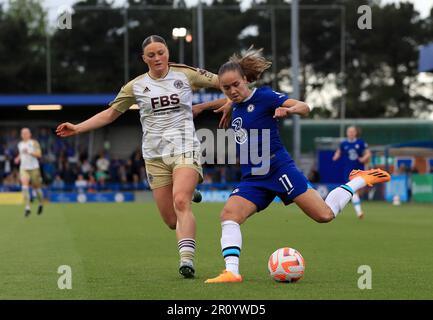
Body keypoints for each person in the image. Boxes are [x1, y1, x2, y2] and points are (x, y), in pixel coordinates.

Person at [195, 48, 390, 283]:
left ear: (245, 79)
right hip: (253, 178)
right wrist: (209, 106)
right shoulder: (234, 103)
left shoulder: (265, 96)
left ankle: (360, 179)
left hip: (279, 170)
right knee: (229, 214)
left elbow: (305, 106)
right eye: (226, 88)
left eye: (235, 85)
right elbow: (229, 100)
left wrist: (289, 110)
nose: (232, 91)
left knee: (324, 215)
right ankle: (232, 272)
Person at [56, 35, 227, 278]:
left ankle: (186, 260)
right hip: (154, 156)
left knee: (180, 202)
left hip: (184, 148)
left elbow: (228, 83)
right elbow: (110, 114)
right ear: (143, 58)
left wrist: (224, 103)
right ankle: (190, 190)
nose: (157, 58)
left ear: (168, 52)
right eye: (151, 55)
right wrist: (77, 127)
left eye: (161, 52)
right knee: (170, 220)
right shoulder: (135, 86)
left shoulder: (186, 74)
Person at [332, 126, 371, 219]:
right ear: (347, 133)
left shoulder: (360, 142)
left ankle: (339, 205)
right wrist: (335, 156)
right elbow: (338, 152)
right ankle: (359, 212)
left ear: (356, 133)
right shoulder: (343, 143)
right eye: (349, 131)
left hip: (359, 170)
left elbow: (368, 153)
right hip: (348, 171)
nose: (351, 133)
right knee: (353, 191)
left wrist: (363, 158)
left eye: (353, 131)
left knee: (356, 192)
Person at [14, 128, 44, 217]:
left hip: (34, 168)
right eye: (23, 133)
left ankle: (40, 203)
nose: (24, 134)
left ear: (30, 134)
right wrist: (17, 158)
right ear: (21, 135)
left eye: (26, 133)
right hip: (24, 168)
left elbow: (39, 154)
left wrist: (30, 152)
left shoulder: (34, 143)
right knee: (24, 186)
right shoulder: (20, 144)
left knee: (37, 188)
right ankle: (27, 207)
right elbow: (21, 153)